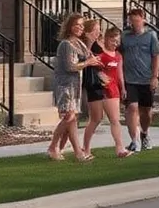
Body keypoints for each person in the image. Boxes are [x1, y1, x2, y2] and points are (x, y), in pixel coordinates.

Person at [47, 13, 100, 162]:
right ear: (70, 26)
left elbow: (88, 55)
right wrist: (88, 63)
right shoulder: (66, 44)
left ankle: (73, 151)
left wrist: (91, 41)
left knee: (72, 119)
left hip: (75, 85)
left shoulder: (78, 43)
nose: (80, 28)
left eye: (82, 25)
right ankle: (54, 147)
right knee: (69, 117)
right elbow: (70, 66)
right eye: (77, 25)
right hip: (65, 86)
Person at [121, 6, 159, 152]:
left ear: (143, 20)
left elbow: (156, 55)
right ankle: (134, 140)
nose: (134, 24)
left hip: (146, 79)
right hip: (130, 79)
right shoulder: (125, 37)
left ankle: (144, 134)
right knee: (132, 108)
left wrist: (155, 76)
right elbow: (119, 55)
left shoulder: (151, 36)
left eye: (137, 21)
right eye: (132, 21)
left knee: (146, 111)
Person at [85, 26, 130, 158]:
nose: (115, 44)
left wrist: (123, 88)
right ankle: (86, 148)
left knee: (115, 119)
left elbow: (120, 73)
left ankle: (119, 148)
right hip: (99, 89)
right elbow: (93, 68)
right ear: (106, 39)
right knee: (95, 119)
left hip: (113, 89)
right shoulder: (100, 54)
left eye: (117, 41)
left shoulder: (118, 56)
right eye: (113, 41)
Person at [79, 19, 107, 156]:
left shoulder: (97, 47)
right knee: (95, 117)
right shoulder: (81, 47)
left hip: (97, 82)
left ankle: (85, 147)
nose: (98, 32)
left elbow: (103, 61)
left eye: (99, 29)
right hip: (88, 83)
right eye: (96, 30)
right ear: (88, 32)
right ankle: (85, 148)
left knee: (97, 117)